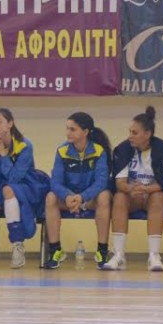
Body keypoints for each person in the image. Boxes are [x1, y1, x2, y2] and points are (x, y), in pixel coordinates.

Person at [103, 106, 163, 272]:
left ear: (147, 134)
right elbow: (119, 183)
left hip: (153, 194)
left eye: (134, 133)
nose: (130, 136)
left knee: (158, 198)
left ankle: (154, 255)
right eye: (129, 132)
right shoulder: (122, 150)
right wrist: (131, 188)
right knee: (119, 197)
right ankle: (118, 255)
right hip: (132, 195)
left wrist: (146, 189)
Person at [0, 108, 49, 269]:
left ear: (10, 124)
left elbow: (15, 177)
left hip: (26, 185)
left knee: (8, 189)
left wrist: (4, 155)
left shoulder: (24, 145)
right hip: (0, 186)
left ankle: (17, 245)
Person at [43, 112, 112, 270]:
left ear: (85, 132)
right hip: (69, 199)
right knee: (51, 197)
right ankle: (55, 250)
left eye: (72, 129)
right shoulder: (62, 151)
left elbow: (101, 181)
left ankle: (102, 251)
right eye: (67, 128)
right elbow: (55, 182)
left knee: (104, 196)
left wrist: (83, 197)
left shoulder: (99, 151)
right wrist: (67, 196)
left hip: (90, 199)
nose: (68, 133)